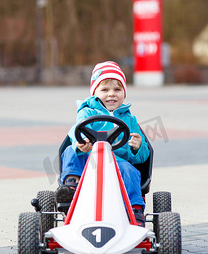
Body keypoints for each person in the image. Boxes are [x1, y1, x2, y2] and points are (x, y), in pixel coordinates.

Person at [55, 61, 150, 226]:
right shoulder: (87, 112)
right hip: (89, 162)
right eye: (105, 90)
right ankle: (71, 186)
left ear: (124, 93)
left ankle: (135, 209)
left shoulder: (130, 120)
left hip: (117, 164)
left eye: (117, 90)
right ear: (94, 92)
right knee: (71, 151)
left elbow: (143, 156)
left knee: (130, 170)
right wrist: (80, 142)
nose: (111, 94)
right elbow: (77, 128)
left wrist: (138, 146)